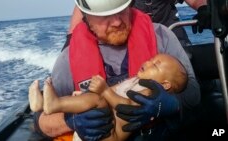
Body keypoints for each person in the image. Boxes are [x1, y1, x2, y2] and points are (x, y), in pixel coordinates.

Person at [30, 0, 200, 140]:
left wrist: (168, 104)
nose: (117, 22)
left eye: (122, 11)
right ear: (87, 17)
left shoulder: (162, 36)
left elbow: (193, 95)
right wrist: (70, 121)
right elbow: (41, 121)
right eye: (105, 17)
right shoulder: (68, 59)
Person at [29, 54, 188, 141]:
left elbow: (127, 108)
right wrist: (75, 115)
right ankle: (45, 104)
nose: (147, 61)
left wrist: (172, 105)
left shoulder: (150, 93)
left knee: (97, 100)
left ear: (166, 85)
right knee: (93, 99)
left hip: (110, 135)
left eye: (155, 65)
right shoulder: (67, 58)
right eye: (151, 59)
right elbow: (113, 91)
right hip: (90, 129)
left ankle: (53, 103)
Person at [67, 0, 207, 47]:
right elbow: (87, 7)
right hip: (131, 42)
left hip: (171, 37)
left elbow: (196, 1)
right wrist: (71, 39)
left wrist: (204, 9)